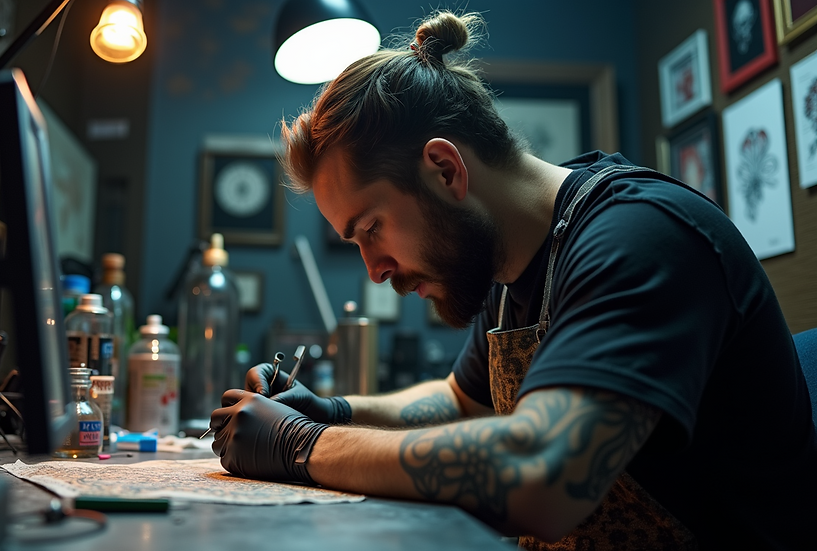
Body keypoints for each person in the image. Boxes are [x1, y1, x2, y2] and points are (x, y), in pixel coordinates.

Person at [208, 11, 817, 551]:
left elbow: (544, 477)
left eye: (372, 228)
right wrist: (335, 411)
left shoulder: (639, 240)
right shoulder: (511, 260)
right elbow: (455, 403)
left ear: (445, 169)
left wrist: (301, 446)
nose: (375, 268)